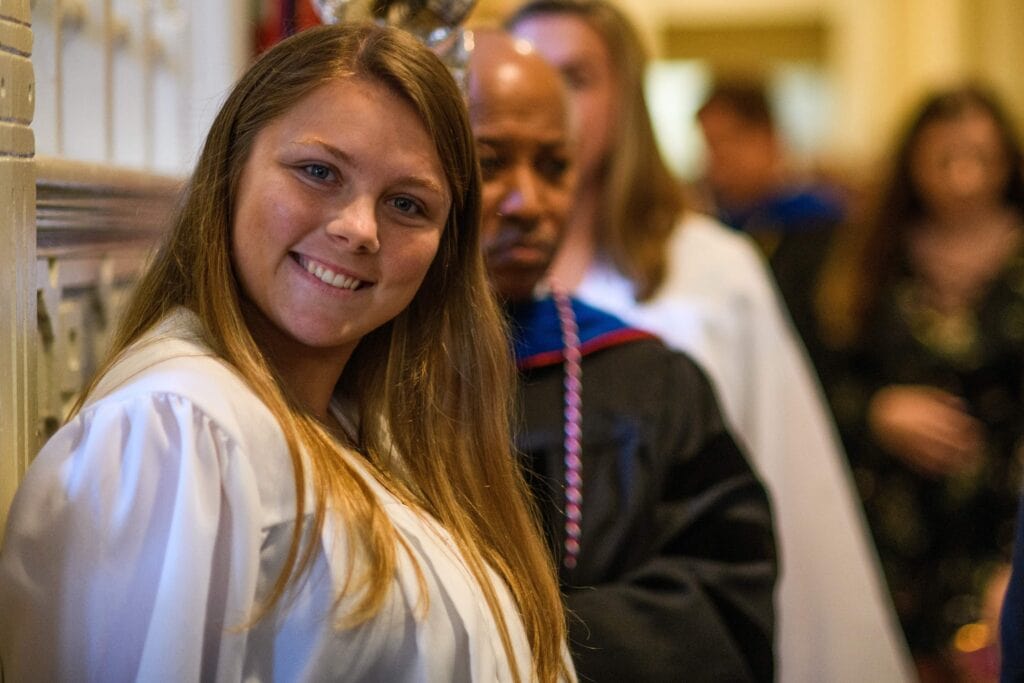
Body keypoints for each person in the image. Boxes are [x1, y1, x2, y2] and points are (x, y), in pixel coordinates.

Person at [0, 23, 572, 682]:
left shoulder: (367, 424)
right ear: (231, 171)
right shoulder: (179, 428)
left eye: (407, 204)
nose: (359, 228)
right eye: (318, 171)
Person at [505, 2, 914, 681]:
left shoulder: (713, 266)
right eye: (531, 71)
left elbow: (786, 472)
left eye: (574, 76)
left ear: (625, 95)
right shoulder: (467, 277)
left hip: (677, 617)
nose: (547, 99)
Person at [466, 29, 776, 682]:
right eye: (489, 162)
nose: (529, 203)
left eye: (555, 167)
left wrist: (508, 646)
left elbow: (726, 605)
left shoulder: (649, 381)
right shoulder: (354, 370)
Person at [815, 85, 1024, 681]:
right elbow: (823, 388)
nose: (964, 178)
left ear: (1008, 163)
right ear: (912, 165)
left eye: (982, 157)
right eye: (945, 159)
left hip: (1003, 529)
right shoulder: (870, 258)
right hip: (897, 536)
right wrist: (879, 411)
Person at [694, 79, 846, 347]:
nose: (719, 157)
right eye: (710, 144)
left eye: (731, 140)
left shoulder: (822, 224)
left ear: (771, 138)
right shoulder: (709, 227)